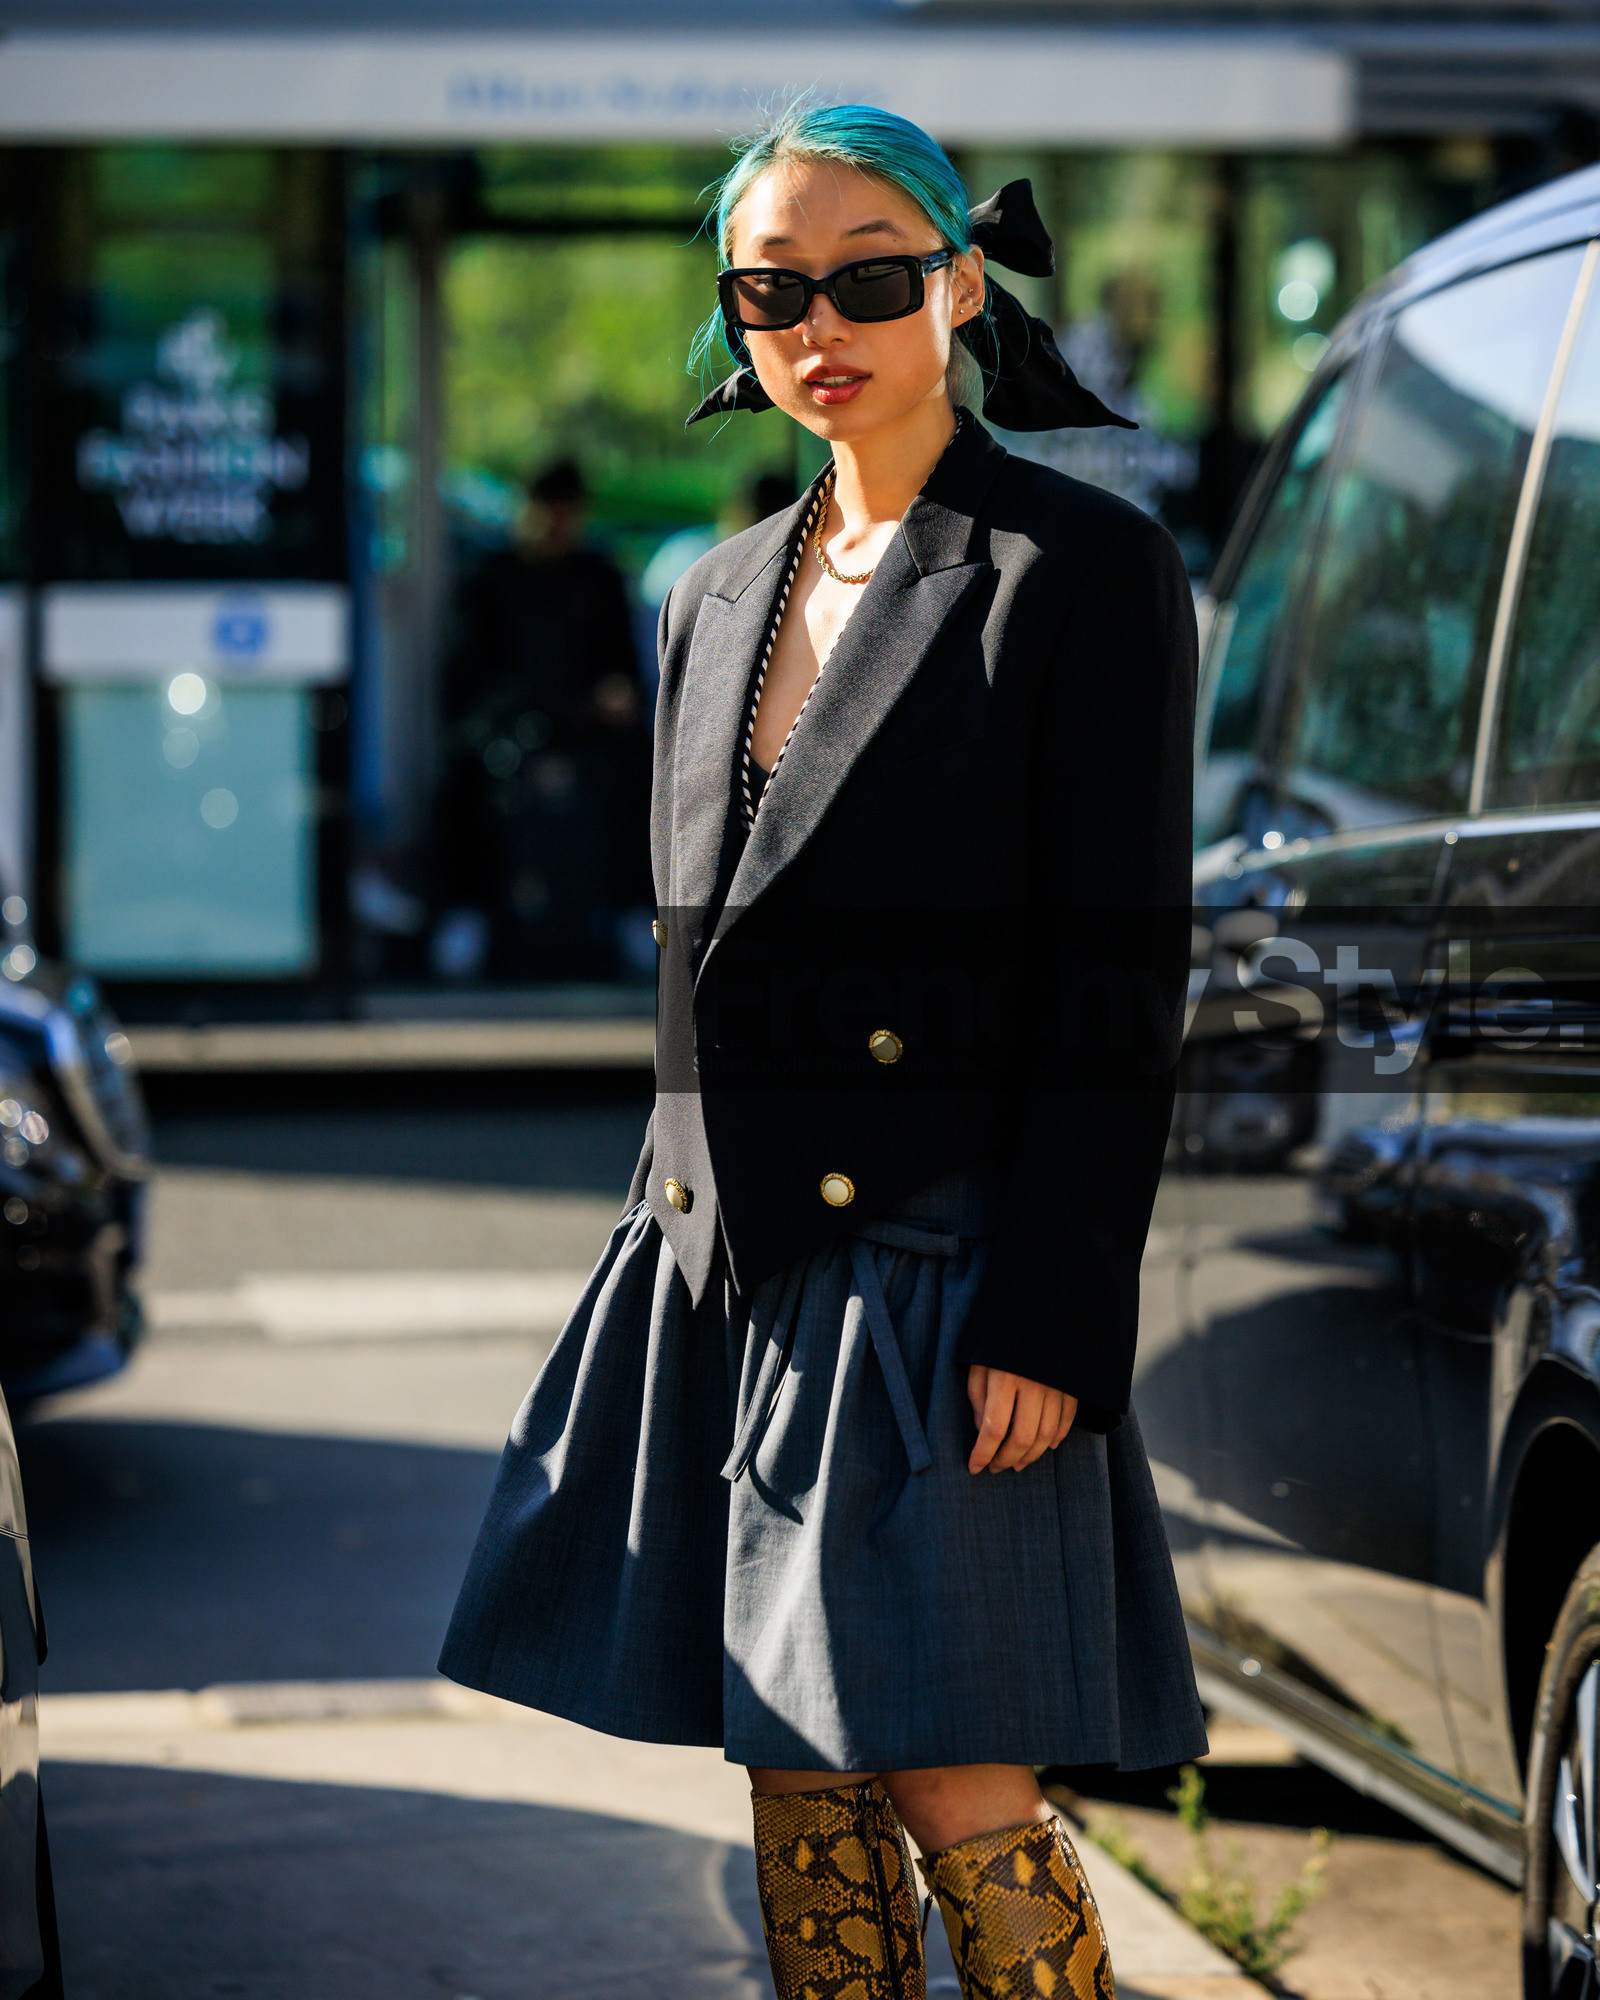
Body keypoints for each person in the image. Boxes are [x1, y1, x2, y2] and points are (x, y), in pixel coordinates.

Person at [441, 101, 1204, 2000]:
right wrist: (671, 1229)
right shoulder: (711, 593)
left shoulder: (1077, 570)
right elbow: (700, 947)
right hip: (739, 1261)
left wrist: (1057, 1298)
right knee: (794, 1762)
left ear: (959, 280)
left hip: (951, 1266)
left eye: (868, 275)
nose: (817, 323)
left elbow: (1120, 971)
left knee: (956, 1764)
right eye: (769, 288)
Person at [437, 456, 648, 979]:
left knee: (645, 780)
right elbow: (469, 677)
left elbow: (623, 668)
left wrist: (612, 700)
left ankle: (631, 912)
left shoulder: (599, 578)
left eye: (566, 511)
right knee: (465, 784)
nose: (557, 523)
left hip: (588, 732)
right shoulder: (491, 580)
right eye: (547, 510)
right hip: (508, 729)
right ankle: (468, 913)